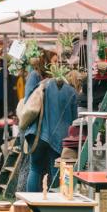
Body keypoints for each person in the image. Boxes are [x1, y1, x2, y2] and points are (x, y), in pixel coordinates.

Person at [23, 56, 78, 192]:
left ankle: (32, 205)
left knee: (35, 169)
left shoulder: (43, 84)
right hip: (60, 138)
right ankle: (56, 205)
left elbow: (28, 103)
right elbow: (74, 120)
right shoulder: (71, 92)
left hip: (38, 134)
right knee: (57, 173)